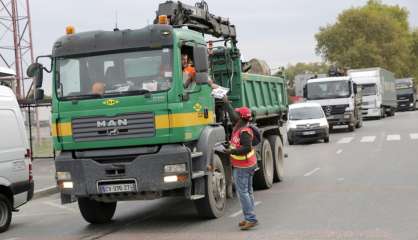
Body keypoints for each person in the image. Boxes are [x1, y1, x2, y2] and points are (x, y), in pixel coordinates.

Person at [221, 95, 259, 230]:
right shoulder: (239, 125)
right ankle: (249, 216)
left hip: (244, 166)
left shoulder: (244, 131)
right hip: (247, 164)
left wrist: (230, 152)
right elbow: (232, 115)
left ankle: (250, 218)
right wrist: (226, 102)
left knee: (243, 192)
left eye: (237, 114)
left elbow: (246, 148)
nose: (233, 116)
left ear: (241, 117)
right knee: (248, 191)